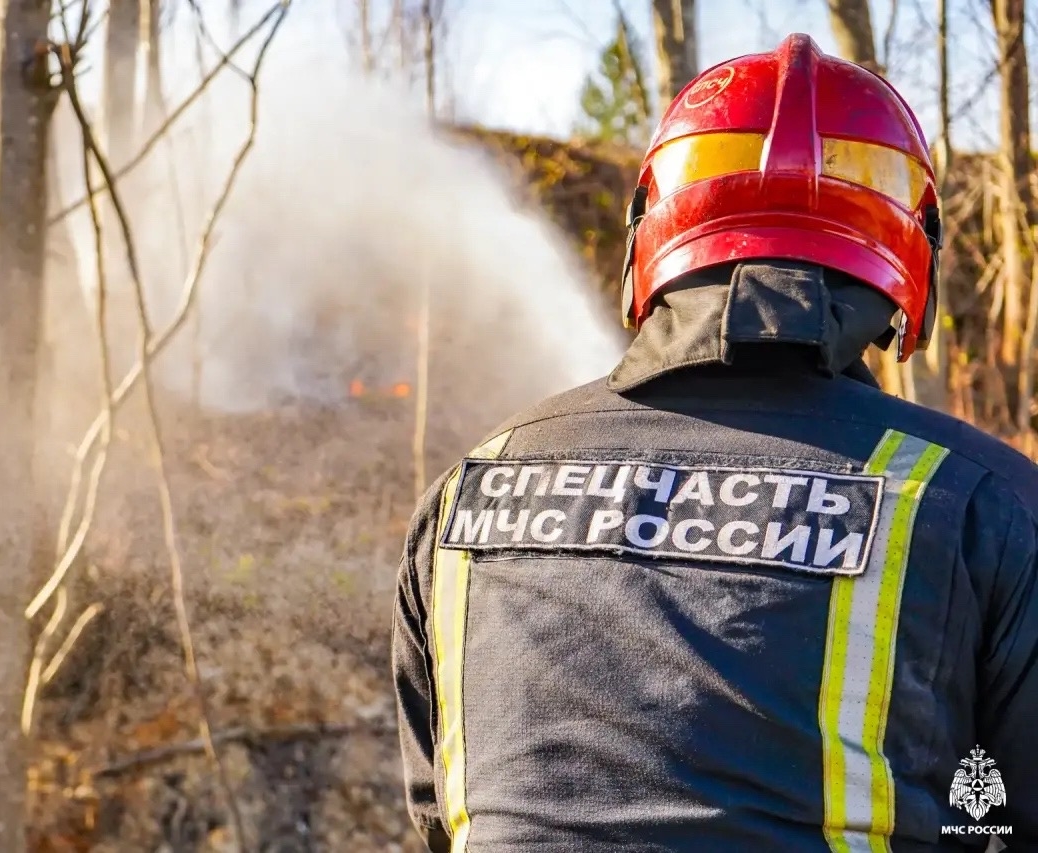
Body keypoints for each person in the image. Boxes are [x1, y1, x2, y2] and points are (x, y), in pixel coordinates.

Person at [391, 33, 1038, 852]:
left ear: (648, 229)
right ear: (909, 251)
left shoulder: (465, 493)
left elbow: (440, 814)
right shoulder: (982, 506)